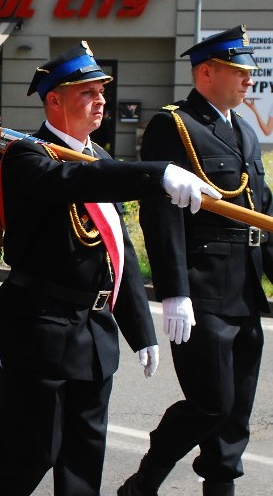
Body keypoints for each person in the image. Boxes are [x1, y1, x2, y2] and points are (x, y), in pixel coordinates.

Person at [0, 42, 221, 496]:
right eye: (87, 92)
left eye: (102, 91)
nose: (101, 100)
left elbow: (116, 252)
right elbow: (70, 182)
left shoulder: (100, 159)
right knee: (30, 453)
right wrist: (155, 172)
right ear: (54, 101)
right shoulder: (29, 156)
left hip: (93, 334)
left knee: (85, 459)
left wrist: (141, 330)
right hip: (38, 331)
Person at [119, 26, 272, 496]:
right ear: (207, 72)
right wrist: (175, 290)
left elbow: (260, 212)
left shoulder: (243, 129)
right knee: (211, 402)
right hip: (203, 286)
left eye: (250, 72)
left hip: (243, 288)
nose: (249, 80)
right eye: (239, 71)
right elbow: (161, 214)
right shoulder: (176, 125)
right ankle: (142, 483)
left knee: (236, 411)